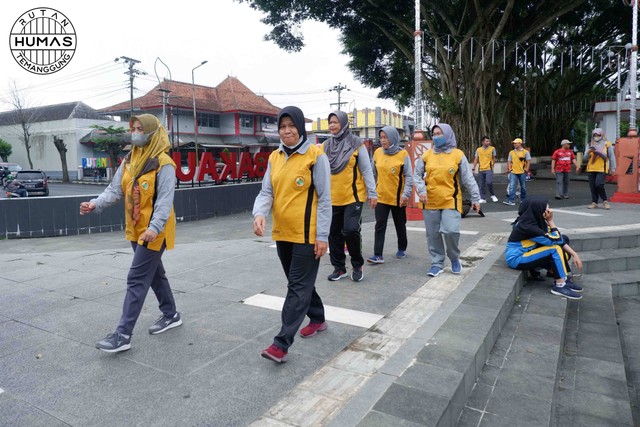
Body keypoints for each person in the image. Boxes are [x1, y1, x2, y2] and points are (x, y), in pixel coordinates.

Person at [79, 114, 182, 353]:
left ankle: (123, 334)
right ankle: (171, 314)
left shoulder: (164, 163)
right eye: (133, 128)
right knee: (155, 274)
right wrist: (95, 203)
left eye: (140, 129)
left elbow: (165, 203)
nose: (135, 133)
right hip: (136, 230)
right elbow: (115, 189)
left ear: (153, 133)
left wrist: (154, 229)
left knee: (137, 278)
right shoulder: (130, 159)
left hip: (154, 232)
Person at [253, 106, 331, 363]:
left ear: (300, 127)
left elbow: (325, 199)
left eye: (291, 126)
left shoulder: (315, 156)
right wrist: (259, 214)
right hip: (282, 233)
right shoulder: (275, 157)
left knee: (297, 287)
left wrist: (322, 236)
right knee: (299, 283)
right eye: (282, 126)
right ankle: (317, 317)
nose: (286, 131)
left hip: (307, 235)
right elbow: (267, 191)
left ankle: (281, 343)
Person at [413, 123, 481, 277]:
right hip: (429, 201)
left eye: (440, 133)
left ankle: (454, 258)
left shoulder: (457, 155)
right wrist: (421, 190)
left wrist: (476, 198)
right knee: (433, 234)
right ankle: (437, 263)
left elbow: (468, 179)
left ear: (448, 134)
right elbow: (416, 175)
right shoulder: (426, 155)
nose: (436, 136)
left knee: (451, 231)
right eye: (434, 134)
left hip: (451, 200)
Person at [323, 110, 377, 282]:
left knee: (351, 230)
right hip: (332, 198)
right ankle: (339, 268)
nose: (332, 125)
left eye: (335, 122)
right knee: (333, 233)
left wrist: (372, 192)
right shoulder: (325, 146)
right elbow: (320, 171)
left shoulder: (356, 144)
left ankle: (357, 264)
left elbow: (367, 170)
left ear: (344, 123)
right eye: (330, 122)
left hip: (353, 197)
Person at [505, 196, 583, 300]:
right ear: (538, 210)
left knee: (563, 239)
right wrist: (551, 221)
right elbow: (556, 240)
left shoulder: (533, 222)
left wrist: (574, 254)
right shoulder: (528, 227)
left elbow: (560, 239)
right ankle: (560, 286)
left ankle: (560, 276)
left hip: (528, 252)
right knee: (555, 248)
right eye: (547, 208)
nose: (550, 211)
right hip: (517, 258)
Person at [367, 126, 413, 264]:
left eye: (385, 137)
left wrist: (406, 195)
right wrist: (371, 192)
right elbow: (372, 173)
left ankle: (402, 248)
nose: (382, 140)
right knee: (380, 224)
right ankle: (378, 254)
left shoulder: (403, 154)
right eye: (381, 137)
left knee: (400, 224)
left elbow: (409, 176)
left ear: (392, 138)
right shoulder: (377, 153)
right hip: (381, 196)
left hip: (398, 198)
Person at [578, 128, 616, 209]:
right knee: (592, 186)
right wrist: (589, 151)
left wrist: (613, 168)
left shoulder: (607, 144)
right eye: (595, 135)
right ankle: (594, 202)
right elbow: (585, 157)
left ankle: (605, 201)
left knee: (599, 185)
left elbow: (611, 157)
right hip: (591, 168)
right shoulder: (590, 144)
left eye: (598, 135)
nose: (596, 137)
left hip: (602, 168)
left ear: (601, 135)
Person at [503, 137, 530, 206]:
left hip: (522, 171)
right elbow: (509, 161)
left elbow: (528, 161)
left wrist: (527, 169)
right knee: (512, 186)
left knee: (523, 186)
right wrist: (509, 168)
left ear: (520, 143)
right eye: (514, 143)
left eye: (516, 143)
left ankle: (523, 199)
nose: (514, 144)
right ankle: (511, 200)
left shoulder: (525, 152)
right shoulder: (511, 152)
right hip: (513, 171)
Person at [472, 136, 498, 203]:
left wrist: (492, 165)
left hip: (489, 168)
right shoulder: (478, 150)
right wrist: (473, 167)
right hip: (481, 169)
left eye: (489, 141)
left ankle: (492, 195)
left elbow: (494, 158)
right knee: (481, 184)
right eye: (486, 141)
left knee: (489, 182)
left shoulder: (492, 149)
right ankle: (483, 198)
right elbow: (476, 159)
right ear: (482, 142)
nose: (488, 142)